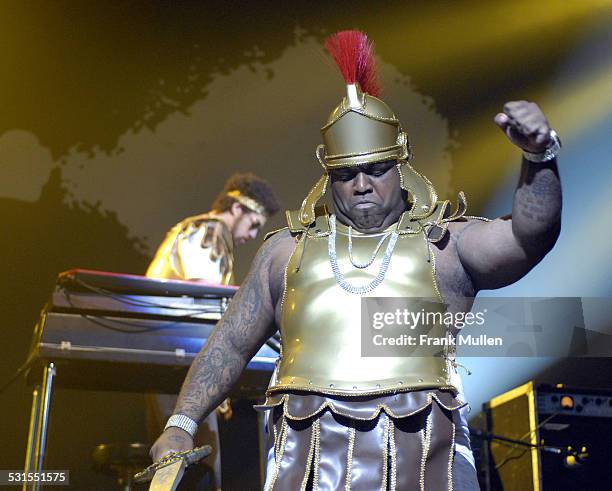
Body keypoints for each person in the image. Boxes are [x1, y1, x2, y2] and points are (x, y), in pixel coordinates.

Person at [150, 31, 561, 490]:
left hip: (430, 459)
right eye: (346, 174)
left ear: (399, 164)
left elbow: (531, 236)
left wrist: (539, 155)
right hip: (306, 462)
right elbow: (230, 343)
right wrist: (180, 424)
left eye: (376, 170)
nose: (361, 184)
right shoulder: (283, 251)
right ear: (329, 175)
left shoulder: (445, 243)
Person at [146, 172, 280, 490]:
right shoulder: (209, 230)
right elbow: (203, 290)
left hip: (167, 354)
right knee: (197, 463)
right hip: (182, 359)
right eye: (254, 224)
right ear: (237, 209)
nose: (251, 235)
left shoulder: (190, 228)